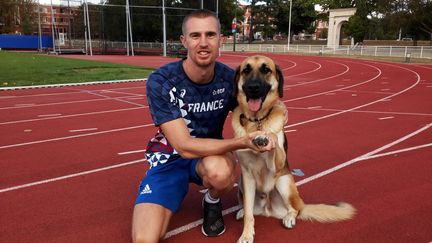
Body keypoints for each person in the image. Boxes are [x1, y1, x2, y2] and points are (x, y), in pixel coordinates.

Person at [131, 9, 275, 243]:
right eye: (195, 35)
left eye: (210, 35)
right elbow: (184, 146)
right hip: (169, 158)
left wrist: (276, 122)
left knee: (221, 173)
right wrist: (241, 142)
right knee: (144, 239)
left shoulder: (231, 80)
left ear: (221, 40)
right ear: (184, 41)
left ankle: (212, 200)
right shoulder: (162, 81)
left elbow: (256, 110)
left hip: (210, 158)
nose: (204, 43)